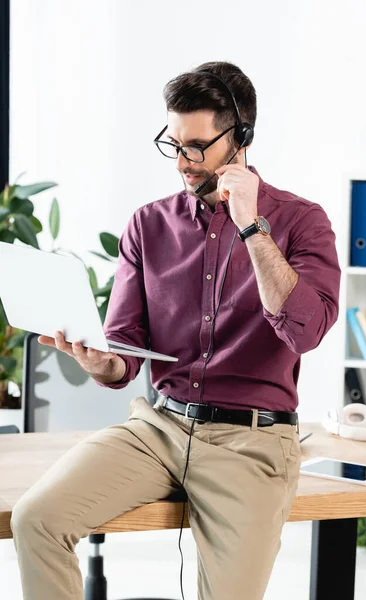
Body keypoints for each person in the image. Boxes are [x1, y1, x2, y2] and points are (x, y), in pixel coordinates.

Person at [11, 61, 341, 600]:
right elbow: (124, 349)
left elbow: (304, 331)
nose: (184, 161)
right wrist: (103, 364)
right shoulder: (147, 224)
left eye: (197, 146)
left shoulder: (302, 222)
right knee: (37, 520)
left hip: (251, 442)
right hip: (158, 430)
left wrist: (251, 225)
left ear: (241, 140)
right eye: (174, 143)